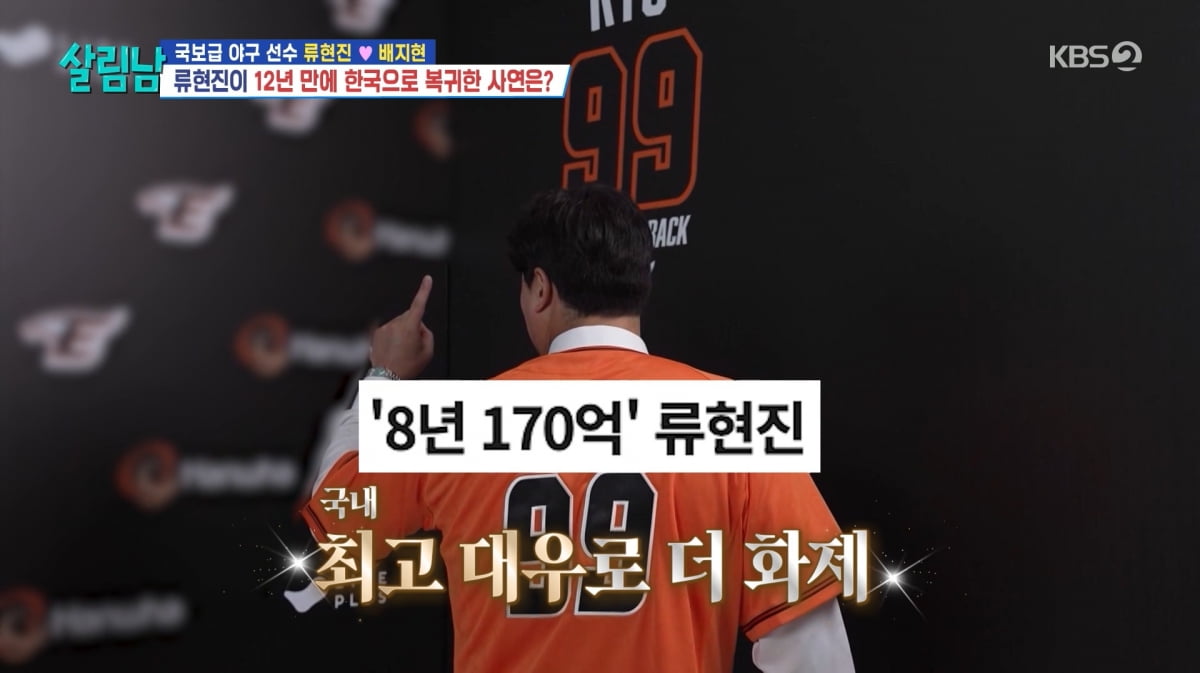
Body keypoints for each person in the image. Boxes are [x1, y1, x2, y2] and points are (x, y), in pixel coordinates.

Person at [301, 184, 855, 673]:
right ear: (641, 281)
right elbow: (812, 652)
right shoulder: (733, 419)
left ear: (540, 289)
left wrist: (385, 377)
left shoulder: (460, 421)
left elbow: (343, 521)